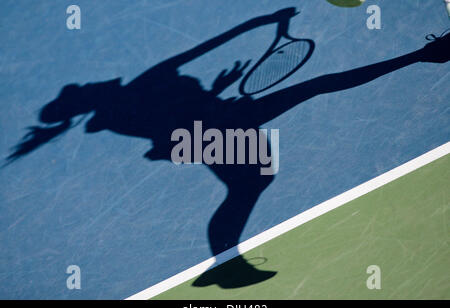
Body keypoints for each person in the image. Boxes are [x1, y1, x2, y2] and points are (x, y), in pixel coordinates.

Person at [7, 8, 449, 288]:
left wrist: (210, 92)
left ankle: (226, 262)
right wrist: (261, 25)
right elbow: (201, 56)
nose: (89, 81)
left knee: (254, 178)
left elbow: (174, 105)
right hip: (215, 126)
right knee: (306, 102)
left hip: (206, 127)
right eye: (83, 87)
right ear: (86, 97)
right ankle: (426, 57)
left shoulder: (125, 105)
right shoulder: (140, 89)